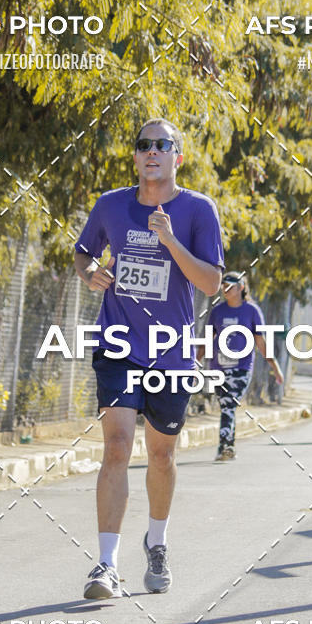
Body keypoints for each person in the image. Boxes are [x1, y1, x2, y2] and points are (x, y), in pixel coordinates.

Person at [74, 118, 224, 598]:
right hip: (118, 344)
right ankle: (105, 565)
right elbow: (82, 253)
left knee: (161, 455)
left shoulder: (199, 210)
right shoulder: (110, 206)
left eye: (163, 145)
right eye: (144, 145)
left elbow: (211, 284)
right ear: (136, 157)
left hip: (171, 353)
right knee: (117, 446)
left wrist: (171, 241)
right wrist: (90, 271)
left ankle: (156, 542)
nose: (152, 152)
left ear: (177, 156)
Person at [207, 272, 284, 461]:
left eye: (230, 286)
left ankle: (224, 446)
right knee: (228, 406)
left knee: (228, 404)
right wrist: (195, 363)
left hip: (242, 367)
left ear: (241, 288)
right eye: (223, 285)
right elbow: (207, 341)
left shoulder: (252, 311)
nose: (225, 289)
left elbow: (261, 341)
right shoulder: (217, 312)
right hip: (219, 367)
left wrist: (275, 367)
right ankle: (229, 447)